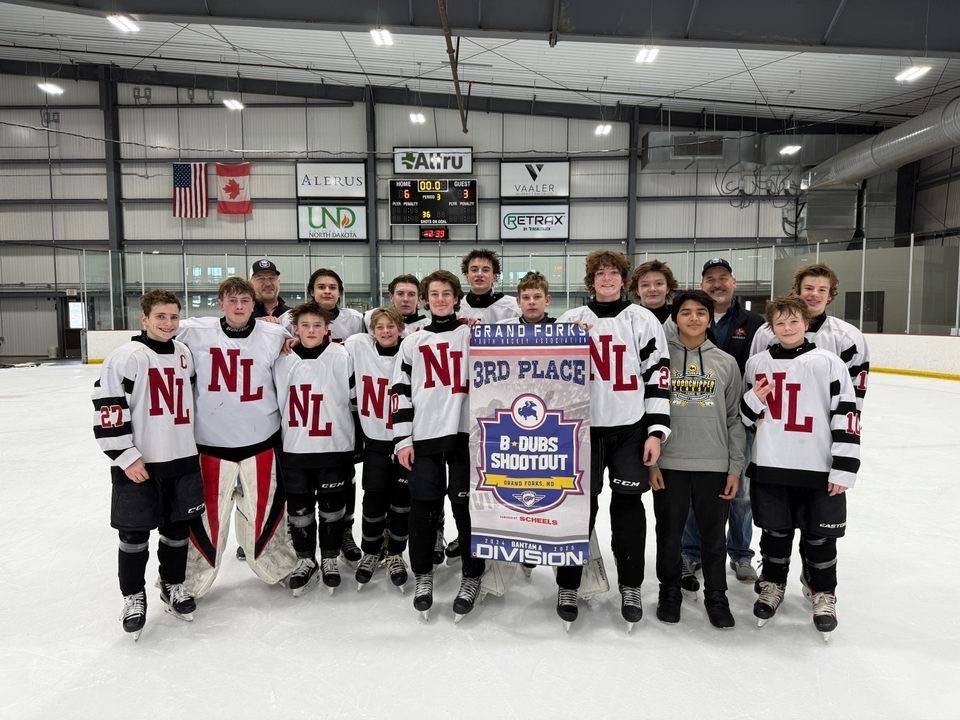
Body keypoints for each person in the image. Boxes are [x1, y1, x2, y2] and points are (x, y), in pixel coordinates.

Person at [557, 250, 671, 629]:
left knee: (627, 509)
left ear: (624, 280)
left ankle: (630, 585)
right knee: (579, 510)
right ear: (591, 281)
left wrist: (656, 431)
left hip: (629, 429)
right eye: (600, 274)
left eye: (613, 273)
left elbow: (657, 374)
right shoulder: (571, 319)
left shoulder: (641, 319)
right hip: (581, 431)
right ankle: (568, 583)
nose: (606, 279)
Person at [741, 295, 860, 637]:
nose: (788, 327)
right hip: (771, 464)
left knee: (820, 537)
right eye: (780, 322)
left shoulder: (828, 363)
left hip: (817, 467)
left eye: (794, 321)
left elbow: (846, 415)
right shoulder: (757, 363)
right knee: (774, 534)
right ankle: (772, 584)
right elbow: (745, 419)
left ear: (806, 323)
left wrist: (844, 468)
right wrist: (754, 399)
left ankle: (823, 592)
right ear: (771, 327)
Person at [92, 290, 205, 638]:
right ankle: (133, 596)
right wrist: (125, 456)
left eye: (173, 316)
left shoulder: (183, 353)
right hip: (141, 462)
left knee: (177, 531)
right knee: (134, 534)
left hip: (182, 457)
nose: (168, 323)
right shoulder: (125, 357)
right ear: (144, 318)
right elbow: (108, 409)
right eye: (160, 316)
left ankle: (172, 584)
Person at [177, 277, 296, 598]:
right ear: (221, 303)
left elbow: (300, 342)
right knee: (206, 519)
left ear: (253, 304)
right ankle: (187, 583)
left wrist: (289, 339)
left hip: (261, 443)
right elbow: (161, 330)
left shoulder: (273, 334)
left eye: (245, 300)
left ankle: (279, 567)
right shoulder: (195, 331)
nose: (239, 306)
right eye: (232, 300)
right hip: (211, 446)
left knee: (266, 513)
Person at [391, 269, 485, 621]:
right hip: (425, 437)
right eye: (434, 294)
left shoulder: (472, 334)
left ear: (456, 298)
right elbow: (400, 393)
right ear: (425, 300)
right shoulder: (412, 342)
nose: (441, 299)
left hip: (465, 438)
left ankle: (472, 575)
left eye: (447, 293)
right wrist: (403, 439)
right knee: (423, 509)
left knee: (466, 510)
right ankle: (423, 574)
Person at [649, 290, 743, 629]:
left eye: (700, 312)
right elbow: (650, 411)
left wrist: (734, 468)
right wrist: (653, 463)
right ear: (675, 318)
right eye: (685, 312)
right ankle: (669, 591)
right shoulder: (660, 360)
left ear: (709, 317)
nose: (693, 318)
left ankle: (716, 595)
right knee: (669, 535)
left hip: (713, 465)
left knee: (714, 538)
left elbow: (734, 419)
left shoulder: (726, 362)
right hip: (670, 464)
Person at [681, 257, 764, 587]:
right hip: (699, 415)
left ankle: (741, 553)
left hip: (740, 417)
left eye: (723, 278)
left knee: (741, 492)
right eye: (710, 279)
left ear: (733, 282)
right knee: (695, 490)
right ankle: (691, 551)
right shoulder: (691, 317)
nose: (717, 284)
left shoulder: (754, 322)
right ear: (702, 285)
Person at [273, 302, 357, 595]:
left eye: (317, 325)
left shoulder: (341, 356)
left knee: (333, 507)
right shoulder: (282, 360)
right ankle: (306, 558)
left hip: (334, 445)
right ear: (295, 329)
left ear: (327, 330)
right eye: (305, 326)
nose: (311, 330)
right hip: (295, 446)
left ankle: (330, 557)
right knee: (299, 509)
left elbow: (354, 397)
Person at [294, 267, 365, 563]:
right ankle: (299, 544)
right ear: (312, 291)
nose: (327, 291)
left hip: (340, 413)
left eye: (332, 287)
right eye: (321, 286)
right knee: (300, 490)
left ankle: (344, 531)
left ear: (339, 292)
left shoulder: (355, 320)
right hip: (307, 414)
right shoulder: (292, 320)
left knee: (344, 479)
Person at [346, 307, 411, 591]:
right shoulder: (359, 346)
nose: (385, 331)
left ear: (400, 328)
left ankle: (396, 552)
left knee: (401, 500)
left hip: (405, 441)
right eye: (380, 327)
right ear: (371, 331)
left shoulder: (410, 352)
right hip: (374, 440)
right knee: (373, 498)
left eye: (391, 326)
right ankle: (371, 551)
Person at [749, 263, 870, 412]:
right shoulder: (767, 332)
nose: (814, 294)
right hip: (773, 422)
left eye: (822, 290)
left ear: (830, 295)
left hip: (821, 424)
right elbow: (754, 376)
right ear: (798, 291)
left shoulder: (848, 338)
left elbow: (853, 391)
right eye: (808, 288)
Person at [457, 248, 520, 323]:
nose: (479, 274)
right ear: (467, 276)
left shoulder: (513, 307)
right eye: (474, 270)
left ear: (494, 276)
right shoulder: (456, 306)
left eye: (485, 270)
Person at [364, 274, 429, 334]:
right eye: (400, 294)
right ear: (391, 297)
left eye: (411, 294)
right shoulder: (371, 318)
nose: (405, 299)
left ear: (419, 298)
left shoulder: (427, 326)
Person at [629, 259, 678, 325]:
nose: (652, 289)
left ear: (668, 288)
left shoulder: (678, 316)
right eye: (645, 285)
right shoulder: (628, 319)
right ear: (637, 290)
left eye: (659, 283)